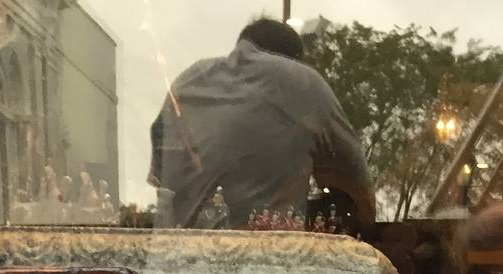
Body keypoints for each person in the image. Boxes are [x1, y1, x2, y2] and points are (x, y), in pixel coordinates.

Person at [149, 18, 374, 231]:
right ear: (292, 60)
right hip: (262, 262)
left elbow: (162, 185)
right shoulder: (303, 81)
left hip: (171, 260)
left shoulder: (187, 80)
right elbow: (364, 201)